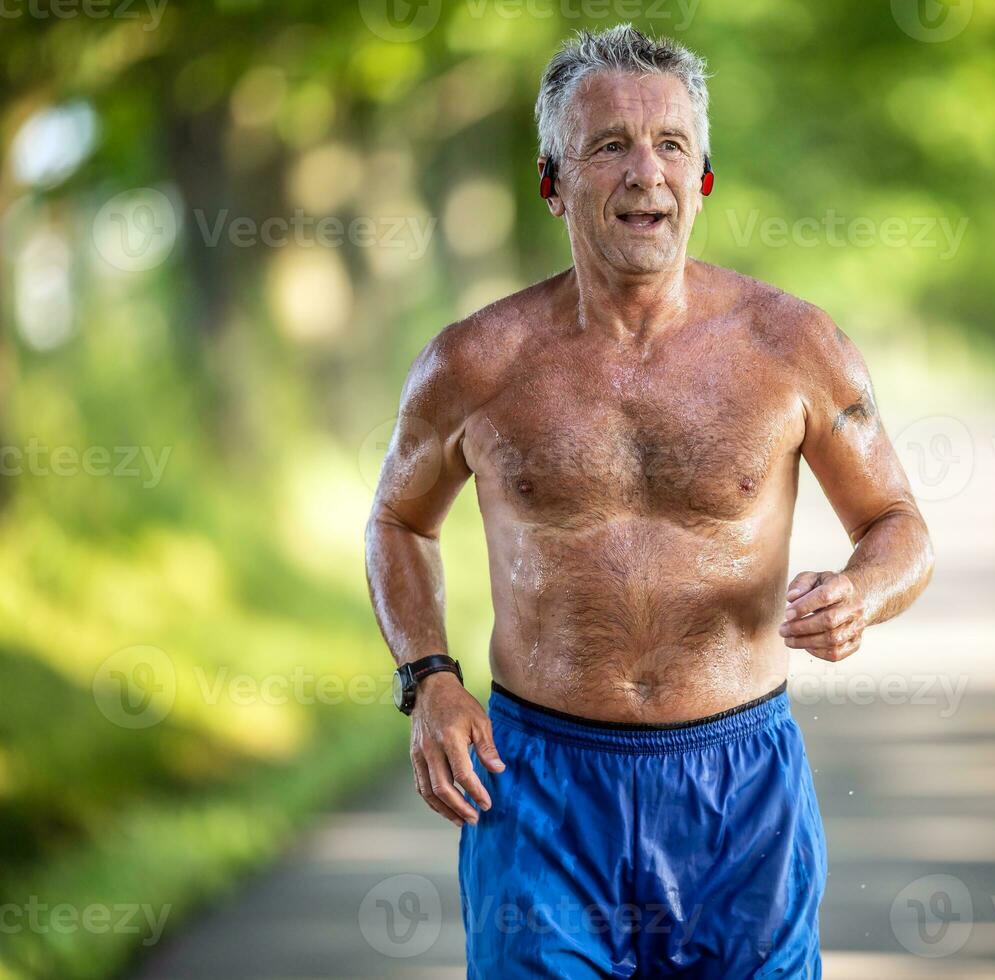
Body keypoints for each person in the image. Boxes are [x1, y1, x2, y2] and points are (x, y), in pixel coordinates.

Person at [365, 23, 934, 978]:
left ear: (704, 176)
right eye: (610, 146)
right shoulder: (476, 362)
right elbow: (398, 520)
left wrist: (860, 594)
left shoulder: (791, 345)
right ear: (553, 180)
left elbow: (899, 527)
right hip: (540, 786)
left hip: (740, 787)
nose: (646, 173)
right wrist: (429, 678)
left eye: (672, 145)